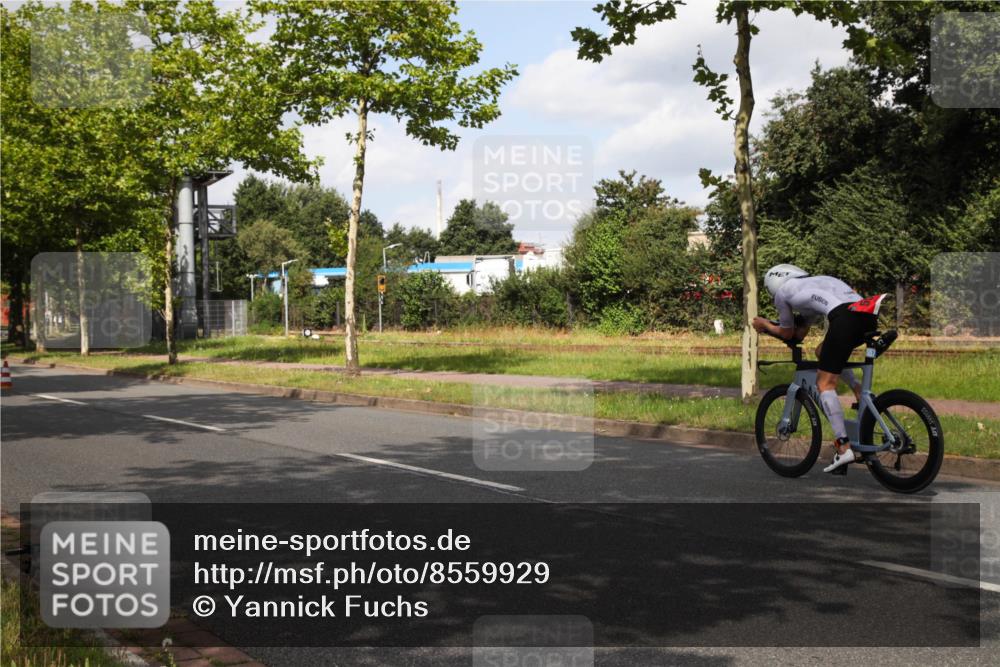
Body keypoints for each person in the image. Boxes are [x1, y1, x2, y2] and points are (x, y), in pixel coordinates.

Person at [752, 264, 886, 474]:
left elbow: (787, 333)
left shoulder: (783, 293)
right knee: (822, 351)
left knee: (824, 383)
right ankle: (858, 389)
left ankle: (843, 447)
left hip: (845, 318)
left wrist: (765, 325)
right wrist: (791, 327)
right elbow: (801, 333)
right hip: (867, 313)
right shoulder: (811, 285)